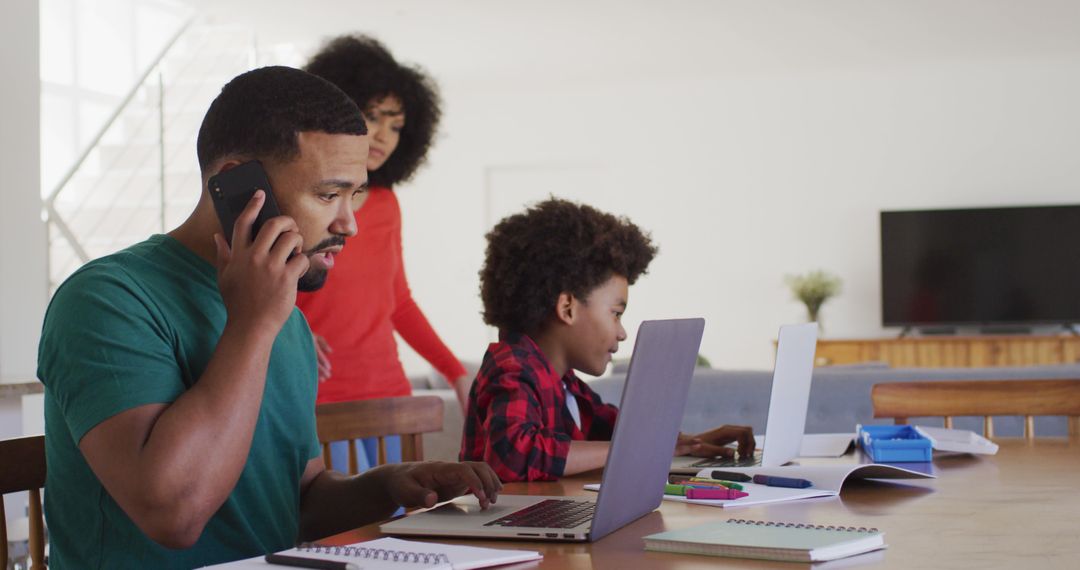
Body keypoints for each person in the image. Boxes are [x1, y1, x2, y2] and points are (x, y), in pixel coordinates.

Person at [37, 66, 500, 569]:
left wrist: (389, 483)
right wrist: (253, 325)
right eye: (328, 195)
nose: (350, 224)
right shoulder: (106, 299)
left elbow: (296, 502)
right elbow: (173, 515)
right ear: (237, 184)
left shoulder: (287, 318)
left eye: (355, 194)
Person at [459, 198, 756, 482]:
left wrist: (690, 442)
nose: (622, 332)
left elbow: (626, 433)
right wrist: (638, 448)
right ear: (567, 308)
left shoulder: (568, 386)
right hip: (501, 531)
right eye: (615, 314)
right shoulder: (511, 367)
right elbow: (513, 454)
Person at [297, 34, 468, 472]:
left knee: (397, 529)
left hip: (391, 402)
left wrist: (456, 372)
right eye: (372, 116)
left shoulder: (388, 205)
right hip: (318, 400)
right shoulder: (300, 199)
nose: (383, 136)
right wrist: (288, 328)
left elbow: (400, 304)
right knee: (334, 535)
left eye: (395, 126)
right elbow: (256, 289)